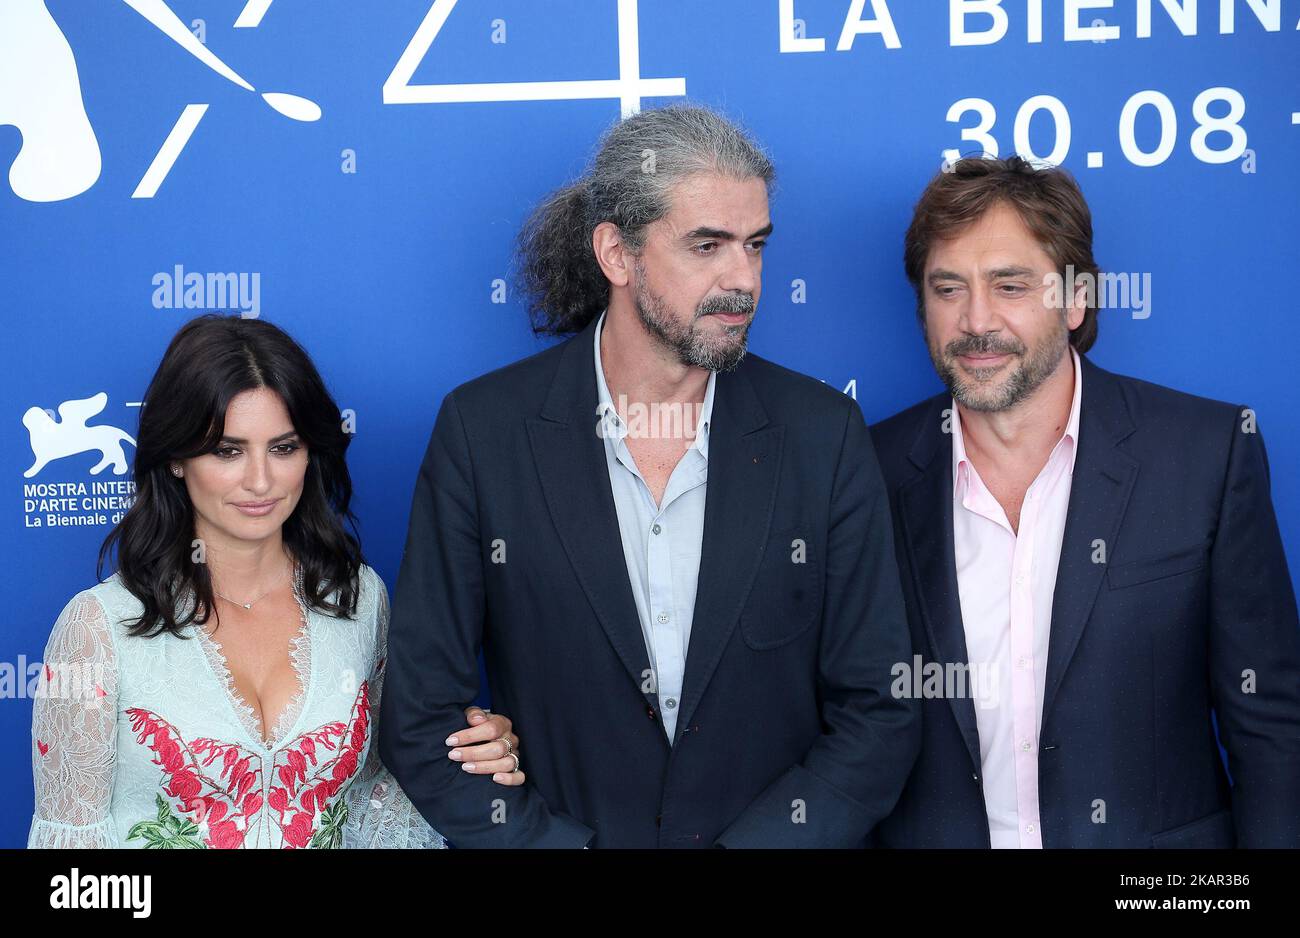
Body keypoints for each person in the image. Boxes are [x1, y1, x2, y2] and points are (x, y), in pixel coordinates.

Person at [380, 104, 919, 848]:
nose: (744, 280)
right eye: (707, 245)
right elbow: (422, 721)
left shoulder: (822, 435)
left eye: (756, 245)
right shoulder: (484, 433)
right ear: (617, 254)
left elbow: (881, 712)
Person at [869, 155, 1300, 847]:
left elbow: (1272, 725)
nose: (976, 322)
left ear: (1075, 299)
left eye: (1009, 285)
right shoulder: (867, 470)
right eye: (948, 288)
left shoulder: (1205, 455)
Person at [28, 314, 523, 849]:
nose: (261, 480)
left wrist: (467, 749)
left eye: (284, 448)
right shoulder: (97, 628)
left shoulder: (358, 599)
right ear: (175, 458)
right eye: (228, 450)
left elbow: (382, 798)